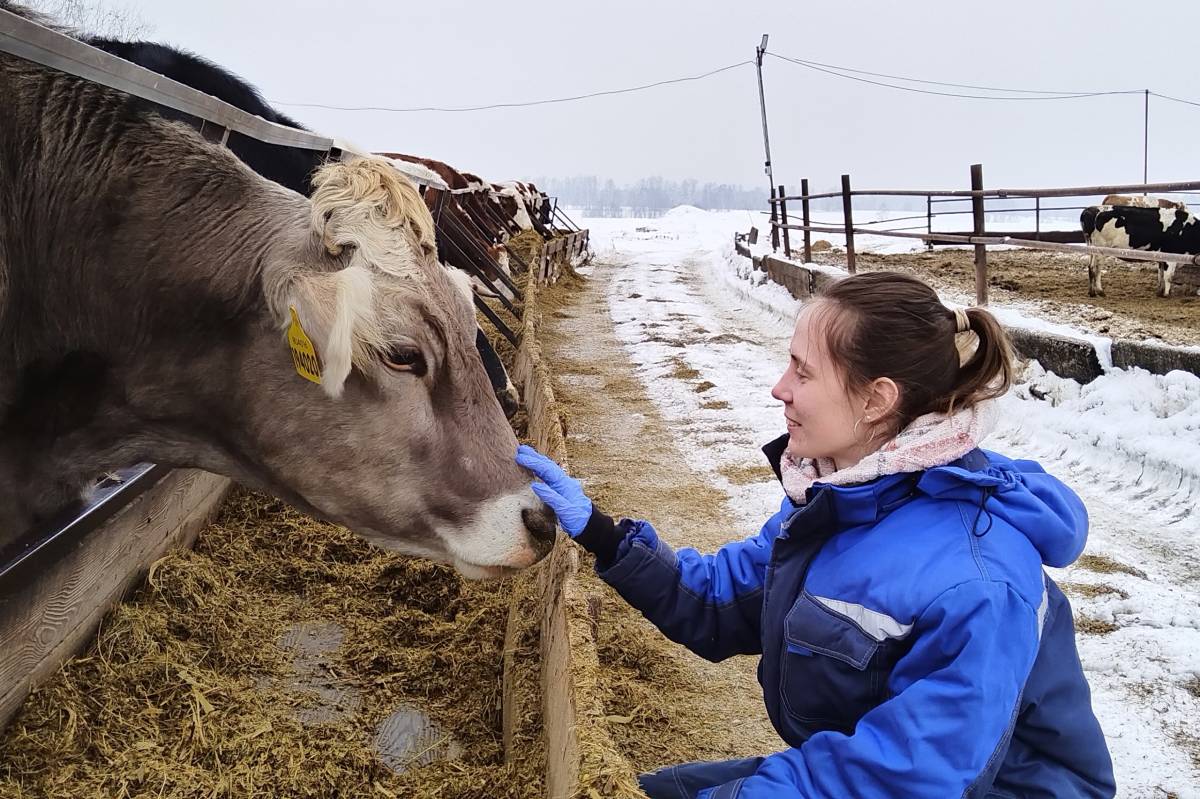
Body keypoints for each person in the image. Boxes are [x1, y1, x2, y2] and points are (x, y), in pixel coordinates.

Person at [516, 271, 1116, 799]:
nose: (780, 388)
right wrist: (601, 534)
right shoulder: (846, 497)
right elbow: (720, 603)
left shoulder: (974, 579)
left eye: (802, 371)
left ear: (877, 400)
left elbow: (907, 778)